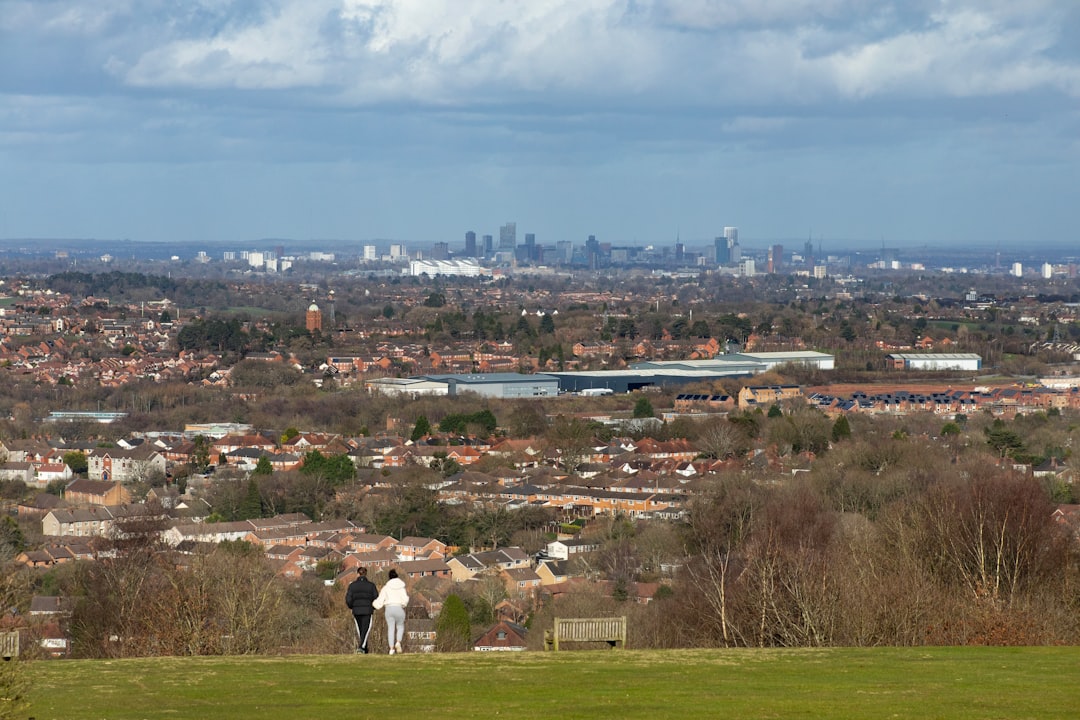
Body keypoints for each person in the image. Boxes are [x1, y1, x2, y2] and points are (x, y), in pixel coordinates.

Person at [372, 568, 409, 654]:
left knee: (391, 628)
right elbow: (405, 599)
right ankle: (398, 642)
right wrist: (403, 604)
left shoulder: (386, 588)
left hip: (389, 609)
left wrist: (374, 604)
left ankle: (391, 649)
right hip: (399, 608)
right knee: (400, 626)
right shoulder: (402, 588)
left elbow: (380, 600)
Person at [344, 567, 379, 654]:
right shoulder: (371, 586)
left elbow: (348, 599)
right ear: (365, 574)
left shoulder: (352, 586)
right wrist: (373, 607)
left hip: (356, 610)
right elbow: (376, 598)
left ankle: (364, 649)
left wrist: (352, 606)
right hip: (367, 610)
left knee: (360, 630)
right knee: (365, 629)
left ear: (358, 574)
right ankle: (361, 647)